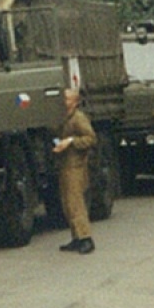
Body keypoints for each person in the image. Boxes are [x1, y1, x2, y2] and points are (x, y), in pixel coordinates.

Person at [52, 87, 97, 255]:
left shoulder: (78, 118)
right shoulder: (64, 117)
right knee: (67, 203)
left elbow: (91, 138)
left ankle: (86, 238)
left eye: (67, 99)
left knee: (76, 203)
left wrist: (71, 141)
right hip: (65, 164)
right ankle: (76, 236)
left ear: (75, 102)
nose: (63, 102)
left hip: (75, 166)